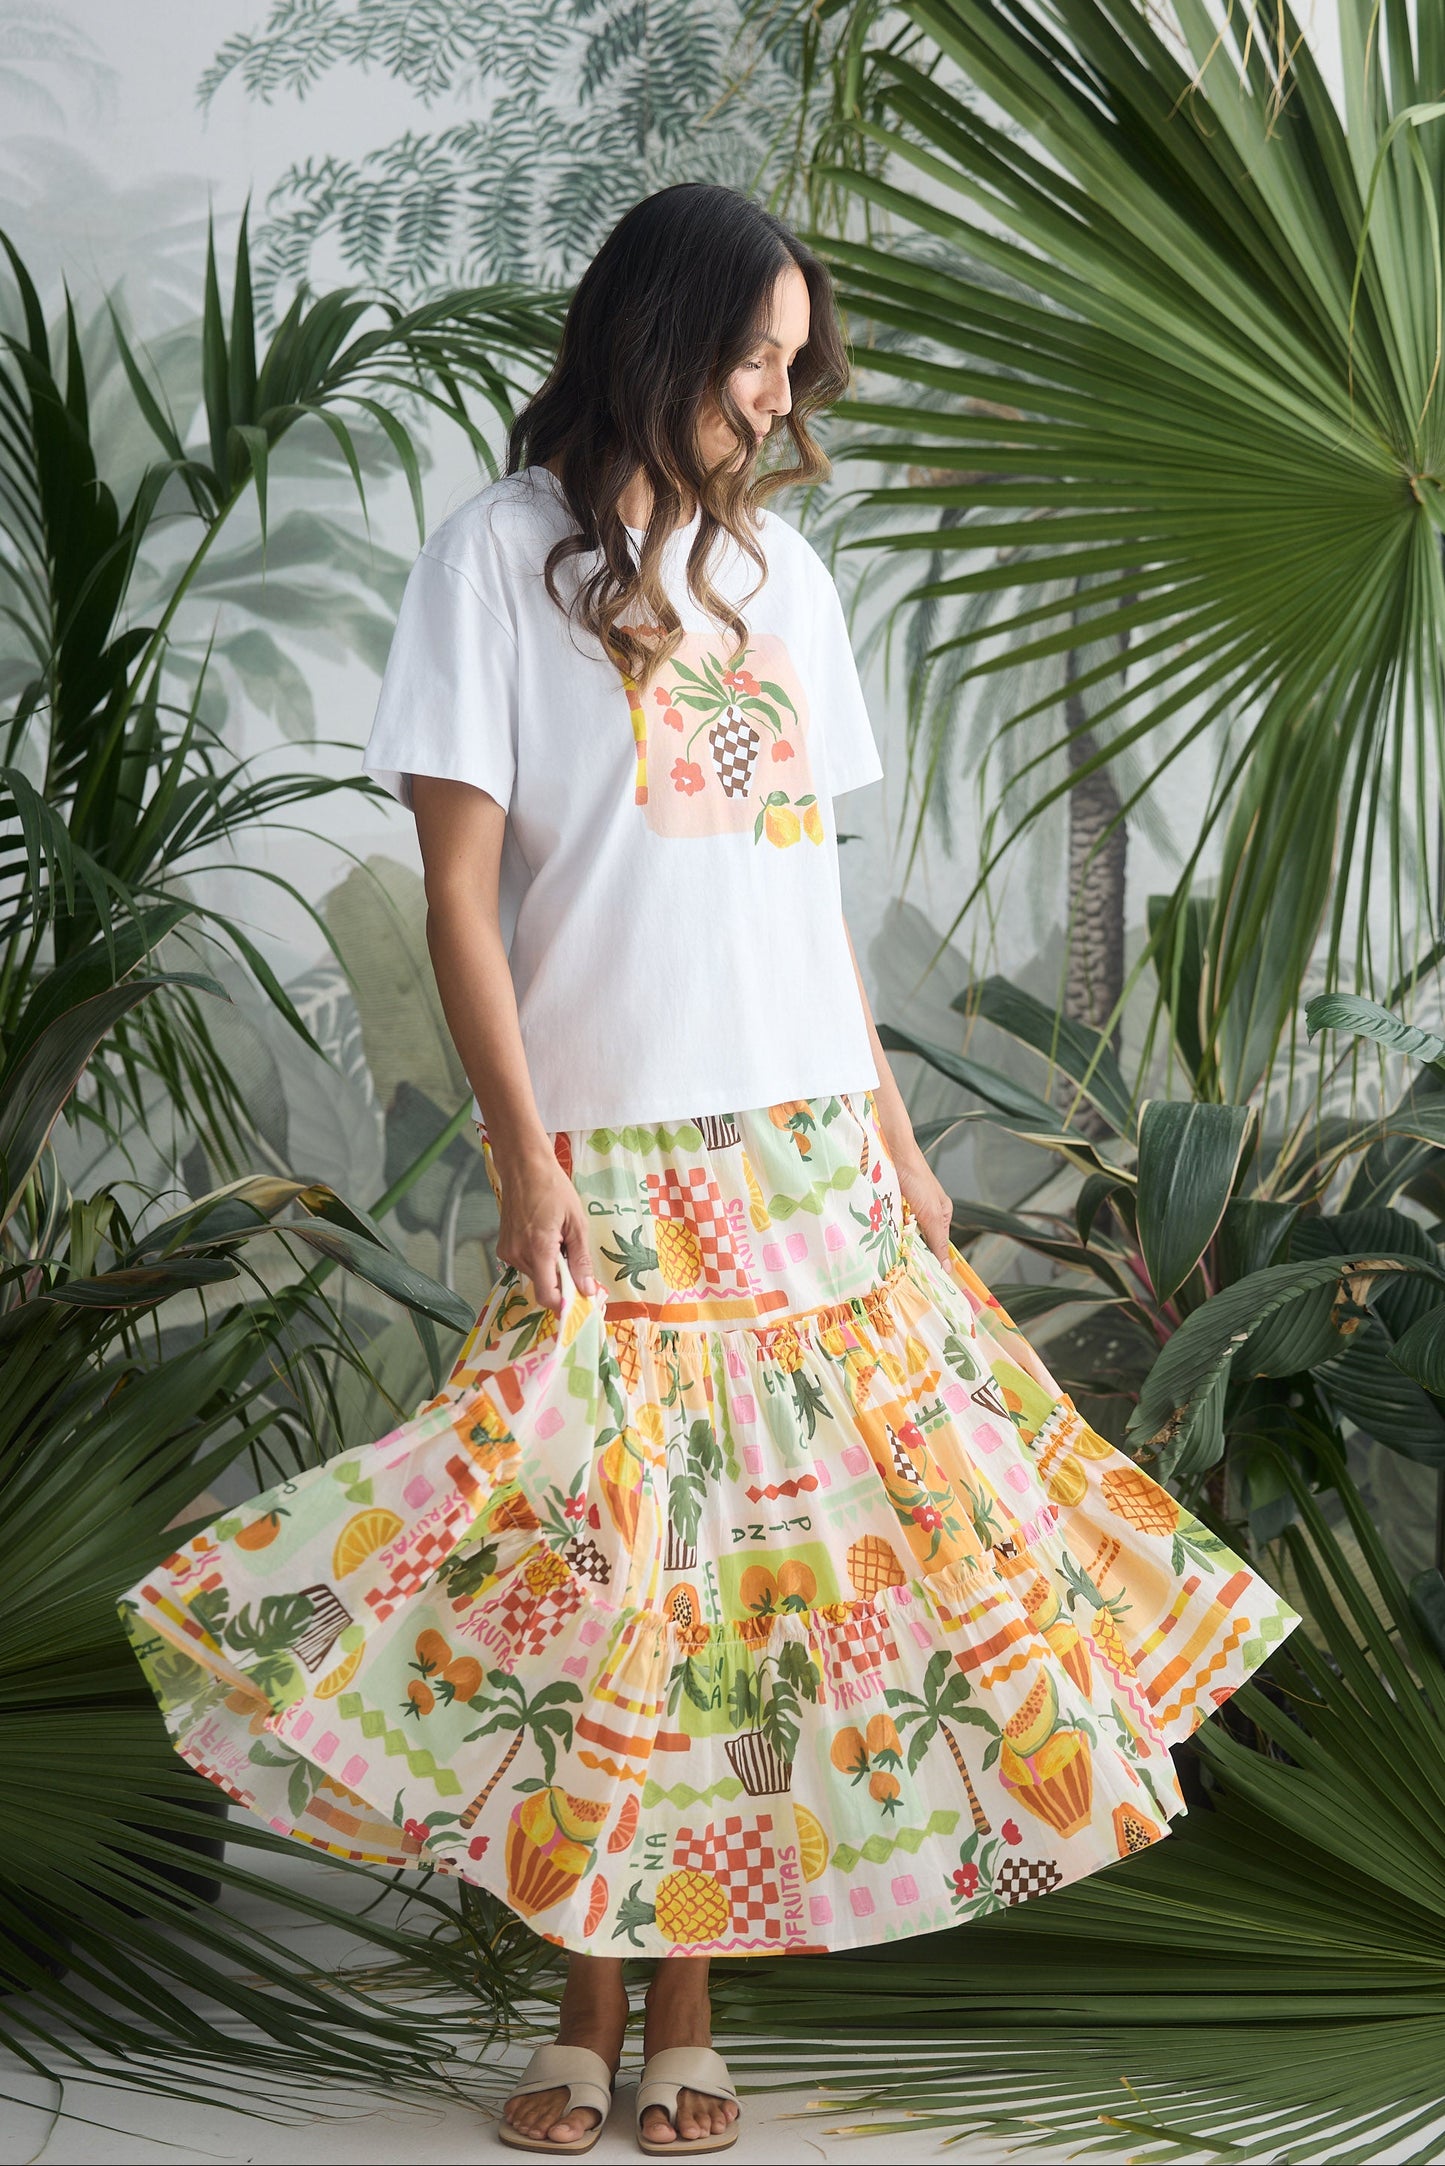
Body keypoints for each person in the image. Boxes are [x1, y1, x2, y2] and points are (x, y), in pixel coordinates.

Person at [119, 183, 1299, 2159]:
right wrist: (521, 1153)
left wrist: (898, 1136)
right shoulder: (494, 562)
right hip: (611, 1152)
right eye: (748, 359)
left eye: (788, 366)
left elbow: (799, 897)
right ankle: (580, 2012)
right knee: (611, 1581)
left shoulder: (786, 588)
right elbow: (461, 902)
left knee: (759, 1591)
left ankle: (684, 2015)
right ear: (652, 341)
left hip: (809, 1151)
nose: (772, 398)